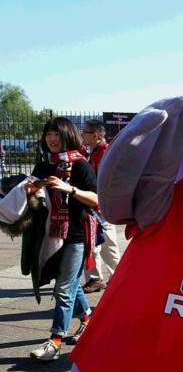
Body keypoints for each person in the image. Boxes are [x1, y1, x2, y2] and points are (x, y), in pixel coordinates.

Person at [0, 117, 98, 361]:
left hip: (76, 235)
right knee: (67, 284)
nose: (52, 139)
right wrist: (31, 190)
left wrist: (70, 189)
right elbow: (31, 196)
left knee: (64, 289)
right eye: (48, 134)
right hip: (50, 235)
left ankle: (54, 341)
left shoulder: (81, 165)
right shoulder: (43, 166)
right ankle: (88, 319)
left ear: (68, 135)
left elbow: (96, 199)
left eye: (57, 134)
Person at [81, 119, 121, 292]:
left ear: (95, 135)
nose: (82, 135)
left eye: (85, 132)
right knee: (98, 244)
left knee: (106, 245)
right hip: (97, 205)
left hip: (102, 206)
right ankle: (101, 277)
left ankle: (112, 277)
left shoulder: (105, 152)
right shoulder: (97, 152)